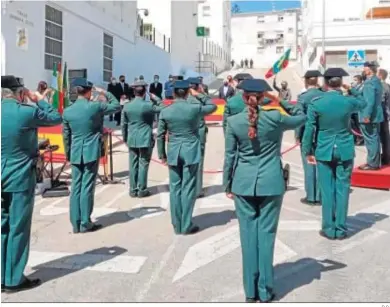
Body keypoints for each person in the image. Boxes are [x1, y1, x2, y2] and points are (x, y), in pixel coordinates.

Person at [223, 78, 306, 303]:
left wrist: (227, 184)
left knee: (248, 237)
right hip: (271, 182)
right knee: (266, 236)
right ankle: (265, 290)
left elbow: (230, 155)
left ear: (243, 97)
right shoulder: (275, 116)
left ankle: (250, 291)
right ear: (263, 97)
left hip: (242, 182)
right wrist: (278, 100)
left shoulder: (233, 121)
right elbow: (302, 115)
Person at [1, 75, 62, 293]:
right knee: (18, 227)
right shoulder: (26, 112)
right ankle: (13, 279)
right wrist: (38, 99)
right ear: (19, 93)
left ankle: (2, 275)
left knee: (2, 228)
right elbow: (56, 117)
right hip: (18, 176)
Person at [301, 68, 367, 240]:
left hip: (324, 150)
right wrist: (350, 89)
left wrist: (307, 150)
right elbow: (363, 102)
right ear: (340, 83)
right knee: (343, 189)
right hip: (344, 149)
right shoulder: (348, 101)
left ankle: (329, 228)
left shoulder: (317, 102)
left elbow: (309, 128)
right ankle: (341, 227)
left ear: (325, 83)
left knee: (327, 189)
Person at [157, 80, 217, 235]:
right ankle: (186, 224)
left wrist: (162, 154)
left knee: (175, 188)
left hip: (173, 151)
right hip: (190, 150)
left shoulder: (166, 111)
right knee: (188, 188)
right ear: (188, 92)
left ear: (174, 93)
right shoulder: (194, 108)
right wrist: (200, 94)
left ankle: (176, 223)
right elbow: (213, 106)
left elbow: (160, 135)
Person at [62, 78, 120, 234]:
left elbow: (66, 136)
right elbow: (116, 105)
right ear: (89, 91)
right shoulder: (95, 106)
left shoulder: (68, 111)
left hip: (75, 152)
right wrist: (104, 92)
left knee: (76, 188)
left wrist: (69, 154)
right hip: (90, 151)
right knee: (87, 187)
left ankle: (75, 223)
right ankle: (85, 222)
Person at [121, 80, 164, 197]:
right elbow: (163, 107)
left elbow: (123, 124)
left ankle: (133, 189)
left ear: (134, 92)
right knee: (143, 163)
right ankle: (142, 189)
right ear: (145, 91)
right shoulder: (148, 105)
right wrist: (155, 97)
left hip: (132, 138)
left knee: (133, 164)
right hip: (145, 137)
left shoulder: (127, 106)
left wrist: (125, 138)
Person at [295, 70, 323, 206]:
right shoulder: (323, 95)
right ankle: (320, 194)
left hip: (307, 135)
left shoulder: (303, 97)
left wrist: (297, 135)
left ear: (306, 81)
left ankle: (311, 196)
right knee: (321, 165)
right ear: (317, 81)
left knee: (309, 165)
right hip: (322, 135)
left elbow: (299, 117)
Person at [187, 77, 216, 198]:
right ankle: (198, 189)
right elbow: (212, 106)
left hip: (187, 134)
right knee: (199, 161)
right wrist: (202, 94)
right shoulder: (199, 102)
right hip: (199, 133)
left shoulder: (184, 100)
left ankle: (189, 187)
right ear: (198, 87)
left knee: (188, 162)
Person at [358, 61, 384, 171]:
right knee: (374, 138)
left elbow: (369, 101)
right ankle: (374, 162)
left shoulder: (369, 83)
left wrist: (366, 115)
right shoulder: (376, 81)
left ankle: (372, 163)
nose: (363, 69)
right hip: (376, 115)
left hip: (368, 115)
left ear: (369, 69)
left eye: (365, 67)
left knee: (370, 139)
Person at [378, 68, 390, 165]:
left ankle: (382, 159)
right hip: (386, 114)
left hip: (382, 114)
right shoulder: (387, 85)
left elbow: (381, 101)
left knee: (380, 137)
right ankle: (386, 158)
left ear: (380, 76)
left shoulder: (381, 86)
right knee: (385, 137)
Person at [351, 75, 364, 145]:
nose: (354, 81)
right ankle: (357, 137)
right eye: (353, 80)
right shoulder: (354, 87)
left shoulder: (361, 87)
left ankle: (360, 137)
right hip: (353, 109)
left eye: (355, 80)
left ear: (359, 80)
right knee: (354, 125)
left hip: (357, 110)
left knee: (358, 125)